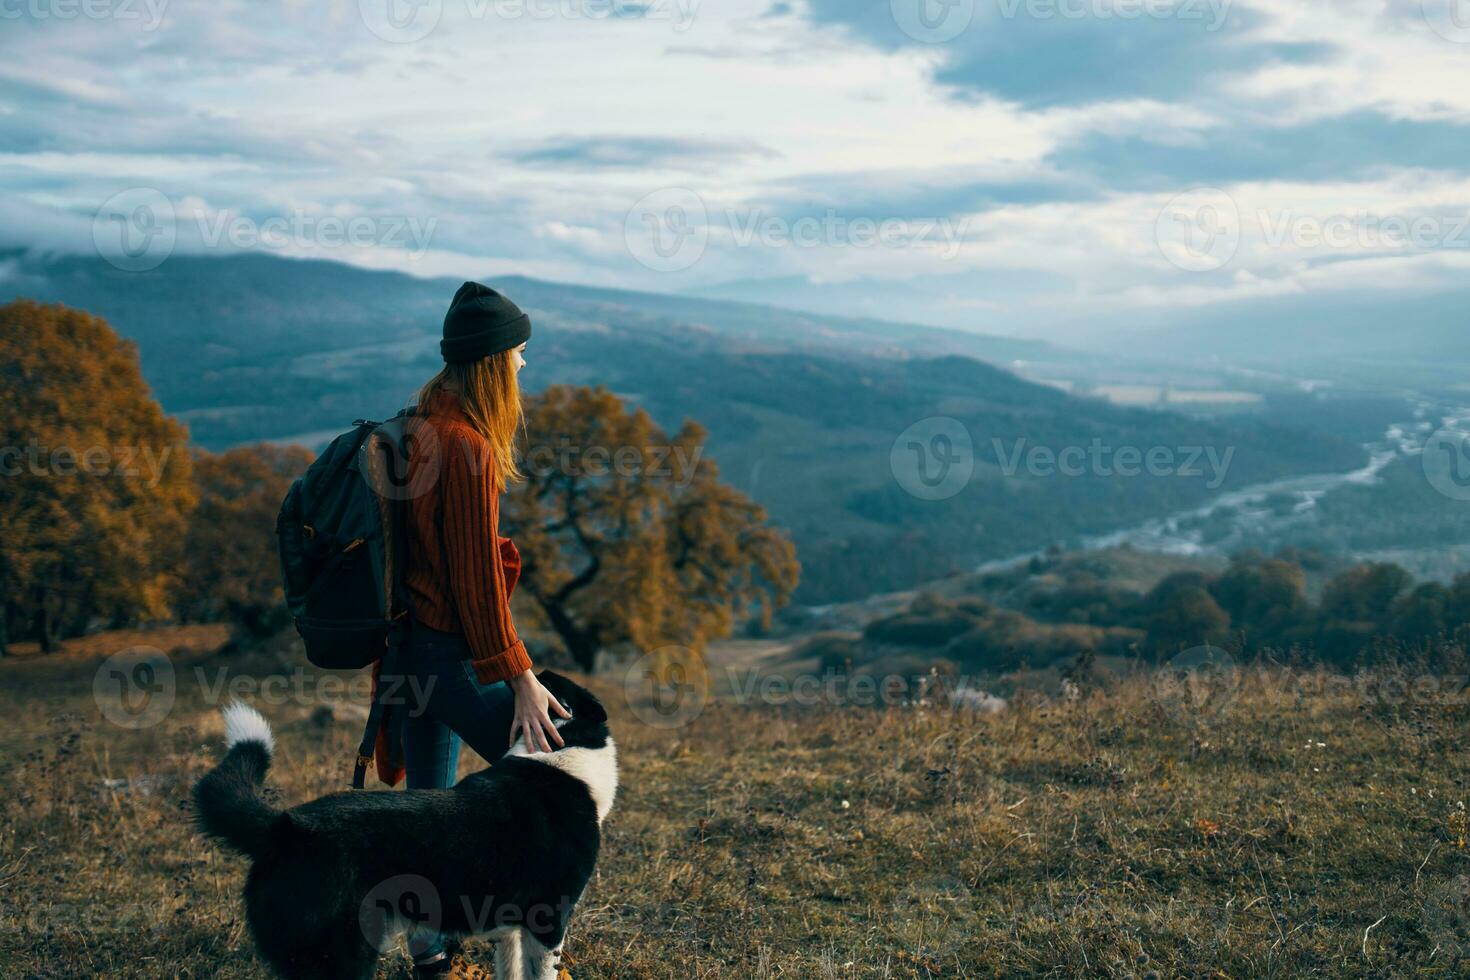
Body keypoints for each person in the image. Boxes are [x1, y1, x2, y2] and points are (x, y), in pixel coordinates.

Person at [375, 281, 571, 978]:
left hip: (411, 653)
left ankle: (428, 947)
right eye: (518, 354)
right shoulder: (465, 448)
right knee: (555, 782)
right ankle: (540, 954)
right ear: (490, 361)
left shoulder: (420, 418)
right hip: (449, 656)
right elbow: (475, 586)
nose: (523, 367)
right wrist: (520, 678)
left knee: (427, 809)